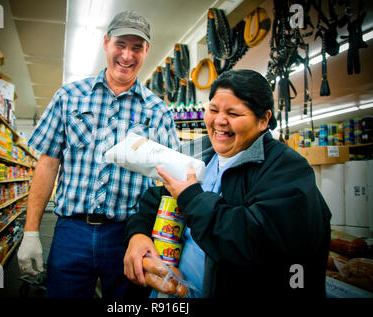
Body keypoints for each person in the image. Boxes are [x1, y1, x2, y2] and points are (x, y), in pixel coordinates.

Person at [123, 69, 332, 298]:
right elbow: (156, 198)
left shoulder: (287, 169)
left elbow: (256, 242)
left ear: (263, 120)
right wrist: (138, 234)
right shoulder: (199, 155)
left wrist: (192, 199)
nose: (219, 120)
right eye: (213, 110)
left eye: (233, 113)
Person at [17, 10, 180, 298]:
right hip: (71, 232)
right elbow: (47, 165)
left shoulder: (158, 111)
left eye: (137, 47)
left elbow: (170, 181)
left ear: (147, 51)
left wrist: (167, 244)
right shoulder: (69, 97)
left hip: (128, 236)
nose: (127, 56)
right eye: (121, 44)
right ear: (106, 42)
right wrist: (31, 232)